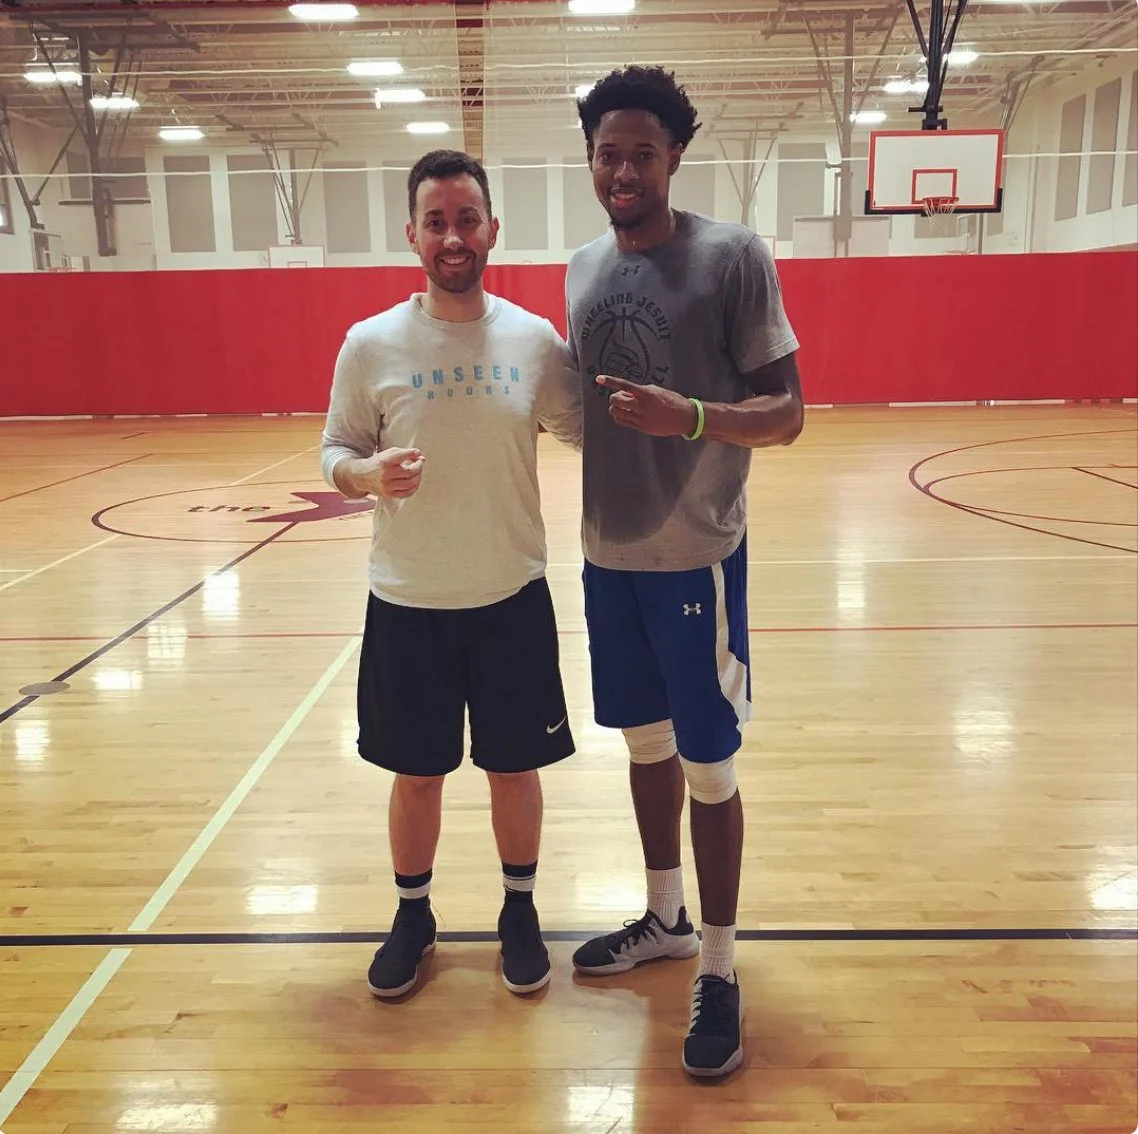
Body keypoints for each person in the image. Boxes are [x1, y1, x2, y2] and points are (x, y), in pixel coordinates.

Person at [565, 67, 805, 1077]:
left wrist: (692, 416)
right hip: (605, 557)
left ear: (674, 157)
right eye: (607, 153)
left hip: (694, 556)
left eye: (642, 153)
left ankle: (717, 964)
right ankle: (662, 919)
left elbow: (787, 411)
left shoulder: (731, 256)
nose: (623, 170)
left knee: (708, 763)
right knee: (643, 744)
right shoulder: (579, 269)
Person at [320, 149, 582, 1000]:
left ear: (492, 229)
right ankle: (413, 914)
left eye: (467, 218)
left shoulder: (534, 340)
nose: (454, 235)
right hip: (408, 599)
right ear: (413, 235)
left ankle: (518, 908)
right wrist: (365, 475)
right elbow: (335, 453)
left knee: (515, 767)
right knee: (417, 770)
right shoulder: (370, 344)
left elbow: (587, 430)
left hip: (511, 593)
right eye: (437, 220)